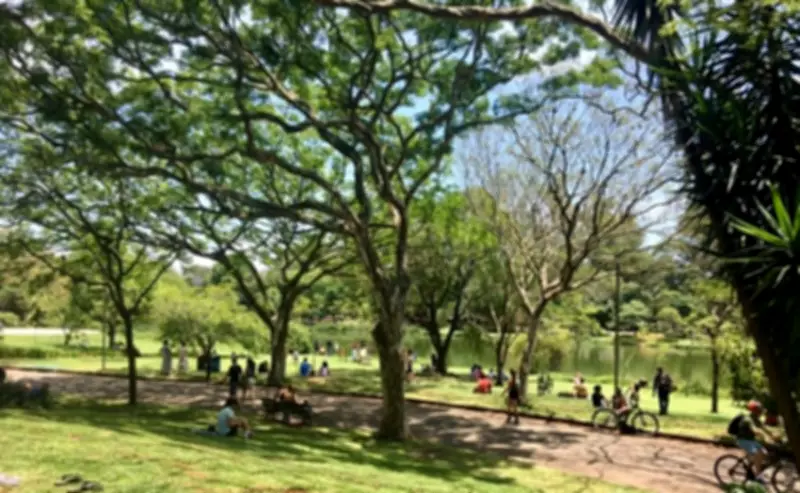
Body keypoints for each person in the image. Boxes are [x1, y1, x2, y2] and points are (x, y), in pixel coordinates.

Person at [728, 400, 781, 484]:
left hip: (750, 441)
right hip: (743, 440)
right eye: (759, 410)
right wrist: (762, 435)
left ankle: (753, 470)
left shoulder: (756, 419)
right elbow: (754, 429)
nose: (761, 411)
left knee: (764, 453)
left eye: (761, 409)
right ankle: (758, 476)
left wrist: (773, 435)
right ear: (754, 411)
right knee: (758, 454)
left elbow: (764, 428)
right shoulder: (748, 419)